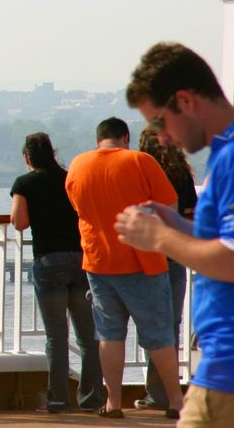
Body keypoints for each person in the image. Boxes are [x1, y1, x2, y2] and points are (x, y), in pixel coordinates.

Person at [116, 42, 234, 427]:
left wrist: (160, 238)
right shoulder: (222, 153)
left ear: (186, 100)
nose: (162, 138)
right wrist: (176, 224)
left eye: (161, 122)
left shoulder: (230, 156)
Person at [64, 117, 183, 418]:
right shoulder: (140, 161)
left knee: (110, 335)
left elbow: (79, 208)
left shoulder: (78, 165)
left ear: (98, 139)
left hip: (99, 261)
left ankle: (113, 402)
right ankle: (175, 402)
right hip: (143, 260)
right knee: (159, 335)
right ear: (125, 137)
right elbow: (169, 207)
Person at [9, 132, 103, 414]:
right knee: (87, 335)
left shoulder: (24, 183)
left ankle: (59, 400)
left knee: (56, 335)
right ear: (52, 153)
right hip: (81, 260)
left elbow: (19, 222)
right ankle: (92, 399)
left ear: (27, 158)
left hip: (49, 261)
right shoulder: (70, 177)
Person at [135, 126, 197, 412]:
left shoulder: (140, 172)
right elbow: (190, 215)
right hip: (175, 256)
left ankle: (157, 392)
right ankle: (166, 391)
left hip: (148, 258)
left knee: (152, 327)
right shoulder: (182, 176)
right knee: (171, 326)